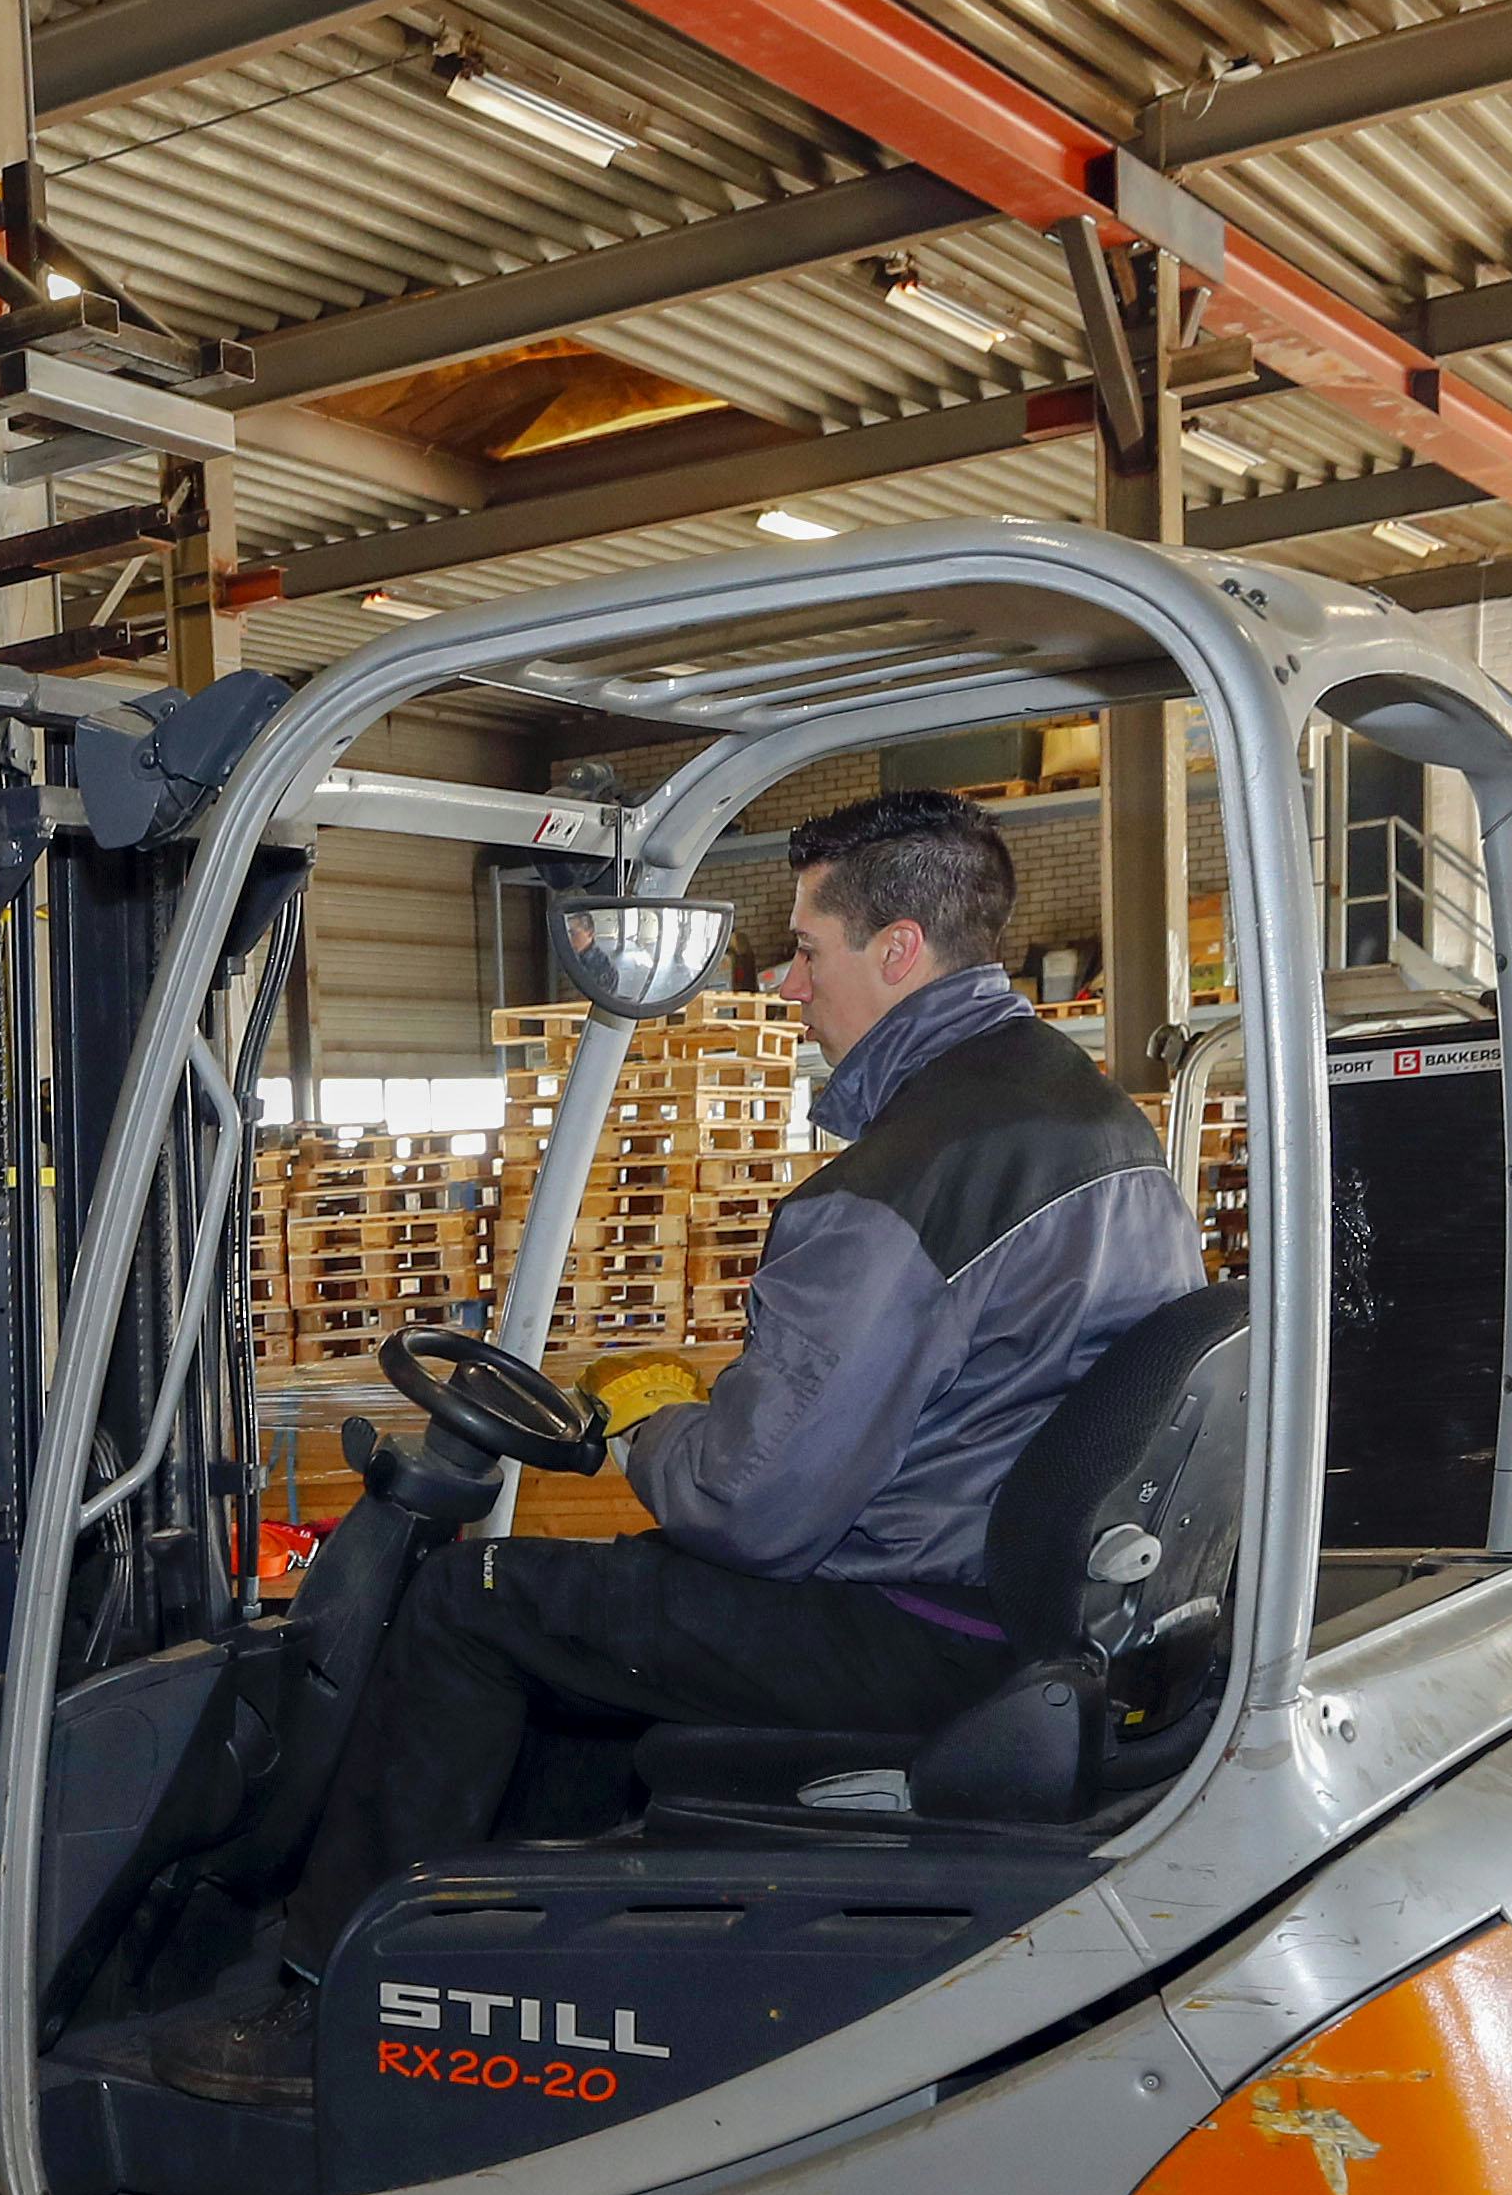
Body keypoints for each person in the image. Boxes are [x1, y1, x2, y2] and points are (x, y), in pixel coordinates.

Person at [162, 787, 1207, 2108]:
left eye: (807, 946)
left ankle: (330, 2013)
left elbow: (755, 1510)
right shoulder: (1095, 1123)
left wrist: (655, 1418)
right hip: (1021, 1601)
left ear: (899, 950)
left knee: (470, 1602)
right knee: (608, 1613)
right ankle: (527, 1940)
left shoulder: (896, 1183)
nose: (784, 981)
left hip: (916, 1624)